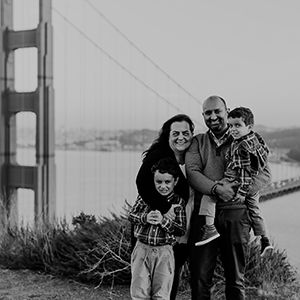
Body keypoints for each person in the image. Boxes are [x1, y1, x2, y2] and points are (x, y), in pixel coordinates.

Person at [185, 95, 250, 300]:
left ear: (227, 111)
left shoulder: (245, 139)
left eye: (217, 111)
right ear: (203, 115)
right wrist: (217, 189)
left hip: (236, 214)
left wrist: (239, 190)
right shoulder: (198, 142)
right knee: (199, 278)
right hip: (204, 217)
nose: (212, 116)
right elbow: (193, 173)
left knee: (236, 279)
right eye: (207, 112)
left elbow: (262, 173)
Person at [195, 106, 274, 258]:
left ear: (249, 127)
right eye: (230, 125)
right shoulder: (255, 138)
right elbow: (264, 153)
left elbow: (245, 172)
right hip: (253, 181)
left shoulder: (241, 146)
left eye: (238, 125)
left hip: (238, 180)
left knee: (209, 194)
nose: (233, 129)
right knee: (255, 210)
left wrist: (242, 192)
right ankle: (265, 239)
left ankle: (209, 229)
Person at [134, 114, 195, 300]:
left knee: (170, 273)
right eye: (175, 133)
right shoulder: (159, 155)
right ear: (168, 136)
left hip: (186, 222)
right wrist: (164, 207)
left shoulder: (195, 155)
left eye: (185, 133)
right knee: (145, 282)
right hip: (156, 227)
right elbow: (141, 182)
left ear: (192, 134)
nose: (181, 137)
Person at [129, 157, 187, 300]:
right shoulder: (144, 197)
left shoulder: (178, 202)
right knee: (139, 292)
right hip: (142, 249)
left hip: (165, 252)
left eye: (167, 182)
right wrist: (145, 217)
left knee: (161, 294)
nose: (163, 186)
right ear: (153, 181)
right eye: (158, 182)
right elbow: (131, 215)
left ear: (175, 182)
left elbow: (181, 229)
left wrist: (163, 221)